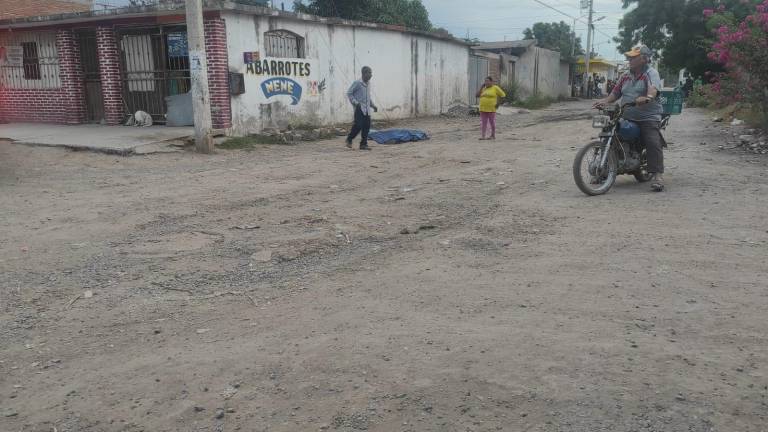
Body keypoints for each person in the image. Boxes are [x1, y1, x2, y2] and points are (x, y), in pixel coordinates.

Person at [593, 45, 666, 192]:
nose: (629, 59)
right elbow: (615, 93)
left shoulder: (651, 73)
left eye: (633, 57)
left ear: (644, 59)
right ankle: (604, 168)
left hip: (648, 117)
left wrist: (647, 97)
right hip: (626, 115)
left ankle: (658, 176)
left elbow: (653, 89)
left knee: (652, 140)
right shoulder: (625, 75)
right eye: (629, 57)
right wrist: (604, 101)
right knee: (609, 133)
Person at [346, 66, 378, 151]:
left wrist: (373, 106)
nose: (371, 75)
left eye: (371, 73)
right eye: (369, 73)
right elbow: (349, 93)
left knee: (367, 126)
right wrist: (355, 102)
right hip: (359, 108)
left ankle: (363, 144)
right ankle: (349, 139)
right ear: (364, 73)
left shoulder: (368, 84)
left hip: (367, 109)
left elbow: (368, 97)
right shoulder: (357, 83)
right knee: (358, 125)